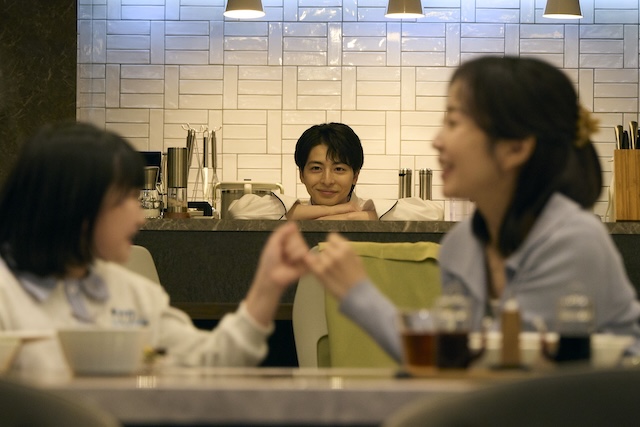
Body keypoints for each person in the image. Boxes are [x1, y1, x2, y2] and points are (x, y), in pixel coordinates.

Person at [304, 56, 640, 361]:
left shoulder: (571, 241)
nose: (437, 141)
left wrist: (359, 294)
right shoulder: (462, 244)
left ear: (515, 148)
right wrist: (355, 291)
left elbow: (513, 372)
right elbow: (448, 356)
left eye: (453, 123)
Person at [0, 122, 309, 376]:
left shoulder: (131, 292)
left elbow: (211, 363)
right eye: (126, 199)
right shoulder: (7, 294)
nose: (139, 217)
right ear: (74, 205)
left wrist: (267, 288)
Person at [228, 122, 443, 221]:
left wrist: (362, 216)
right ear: (301, 174)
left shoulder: (366, 211)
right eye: (316, 168)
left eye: (339, 169)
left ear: (355, 175)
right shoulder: (290, 214)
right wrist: (331, 211)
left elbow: (434, 213)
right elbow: (238, 211)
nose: (327, 180)